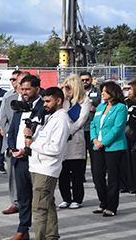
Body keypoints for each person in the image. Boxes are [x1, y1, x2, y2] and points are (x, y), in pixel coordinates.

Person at [13, 87, 70, 240]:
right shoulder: (50, 116)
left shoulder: (62, 120)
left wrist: (31, 144)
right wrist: (30, 134)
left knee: (39, 208)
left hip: (47, 169)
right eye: (43, 101)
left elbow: (55, 148)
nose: (44, 105)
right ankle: (52, 236)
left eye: (47, 101)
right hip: (37, 166)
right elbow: (42, 139)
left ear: (58, 101)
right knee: (48, 204)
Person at [6, 75, 44, 240]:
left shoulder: (44, 106)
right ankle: (23, 230)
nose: (25, 93)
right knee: (23, 197)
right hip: (19, 159)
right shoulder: (20, 106)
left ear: (37, 88)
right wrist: (13, 149)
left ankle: (44, 233)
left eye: (28, 89)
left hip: (37, 159)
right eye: (22, 89)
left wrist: (27, 150)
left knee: (41, 200)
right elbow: (12, 131)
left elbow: (43, 134)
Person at [89, 81, 127, 217]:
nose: (103, 93)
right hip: (97, 145)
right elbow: (93, 124)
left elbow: (118, 128)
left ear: (112, 92)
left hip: (113, 146)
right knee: (97, 174)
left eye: (105, 91)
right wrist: (94, 140)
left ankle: (112, 206)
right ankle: (103, 202)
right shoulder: (100, 106)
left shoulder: (121, 107)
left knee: (113, 177)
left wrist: (103, 142)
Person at [57, 76, 91, 209]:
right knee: (63, 173)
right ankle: (66, 198)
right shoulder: (63, 100)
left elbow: (81, 120)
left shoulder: (84, 100)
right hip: (62, 141)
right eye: (66, 87)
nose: (67, 90)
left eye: (69, 87)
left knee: (76, 173)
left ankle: (77, 199)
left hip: (75, 138)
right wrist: (60, 89)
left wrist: (68, 131)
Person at [0, 71, 25, 215]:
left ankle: (28, 202)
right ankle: (15, 202)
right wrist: (11, 137)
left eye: (22, 82)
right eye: (16, 82)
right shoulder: (10, 98)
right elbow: (3, 118)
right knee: (12, 175)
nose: (19, 85)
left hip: (27, 146)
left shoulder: (35, 101)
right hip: (11, 145)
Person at [122, 80, 136, 194]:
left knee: (133, 161)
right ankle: (125, 184)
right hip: (126, 135)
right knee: (125, 161)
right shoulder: (127, 102)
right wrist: (122, 91)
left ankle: (133, 185)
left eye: (130, 89)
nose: (128, 91)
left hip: (134, 135)